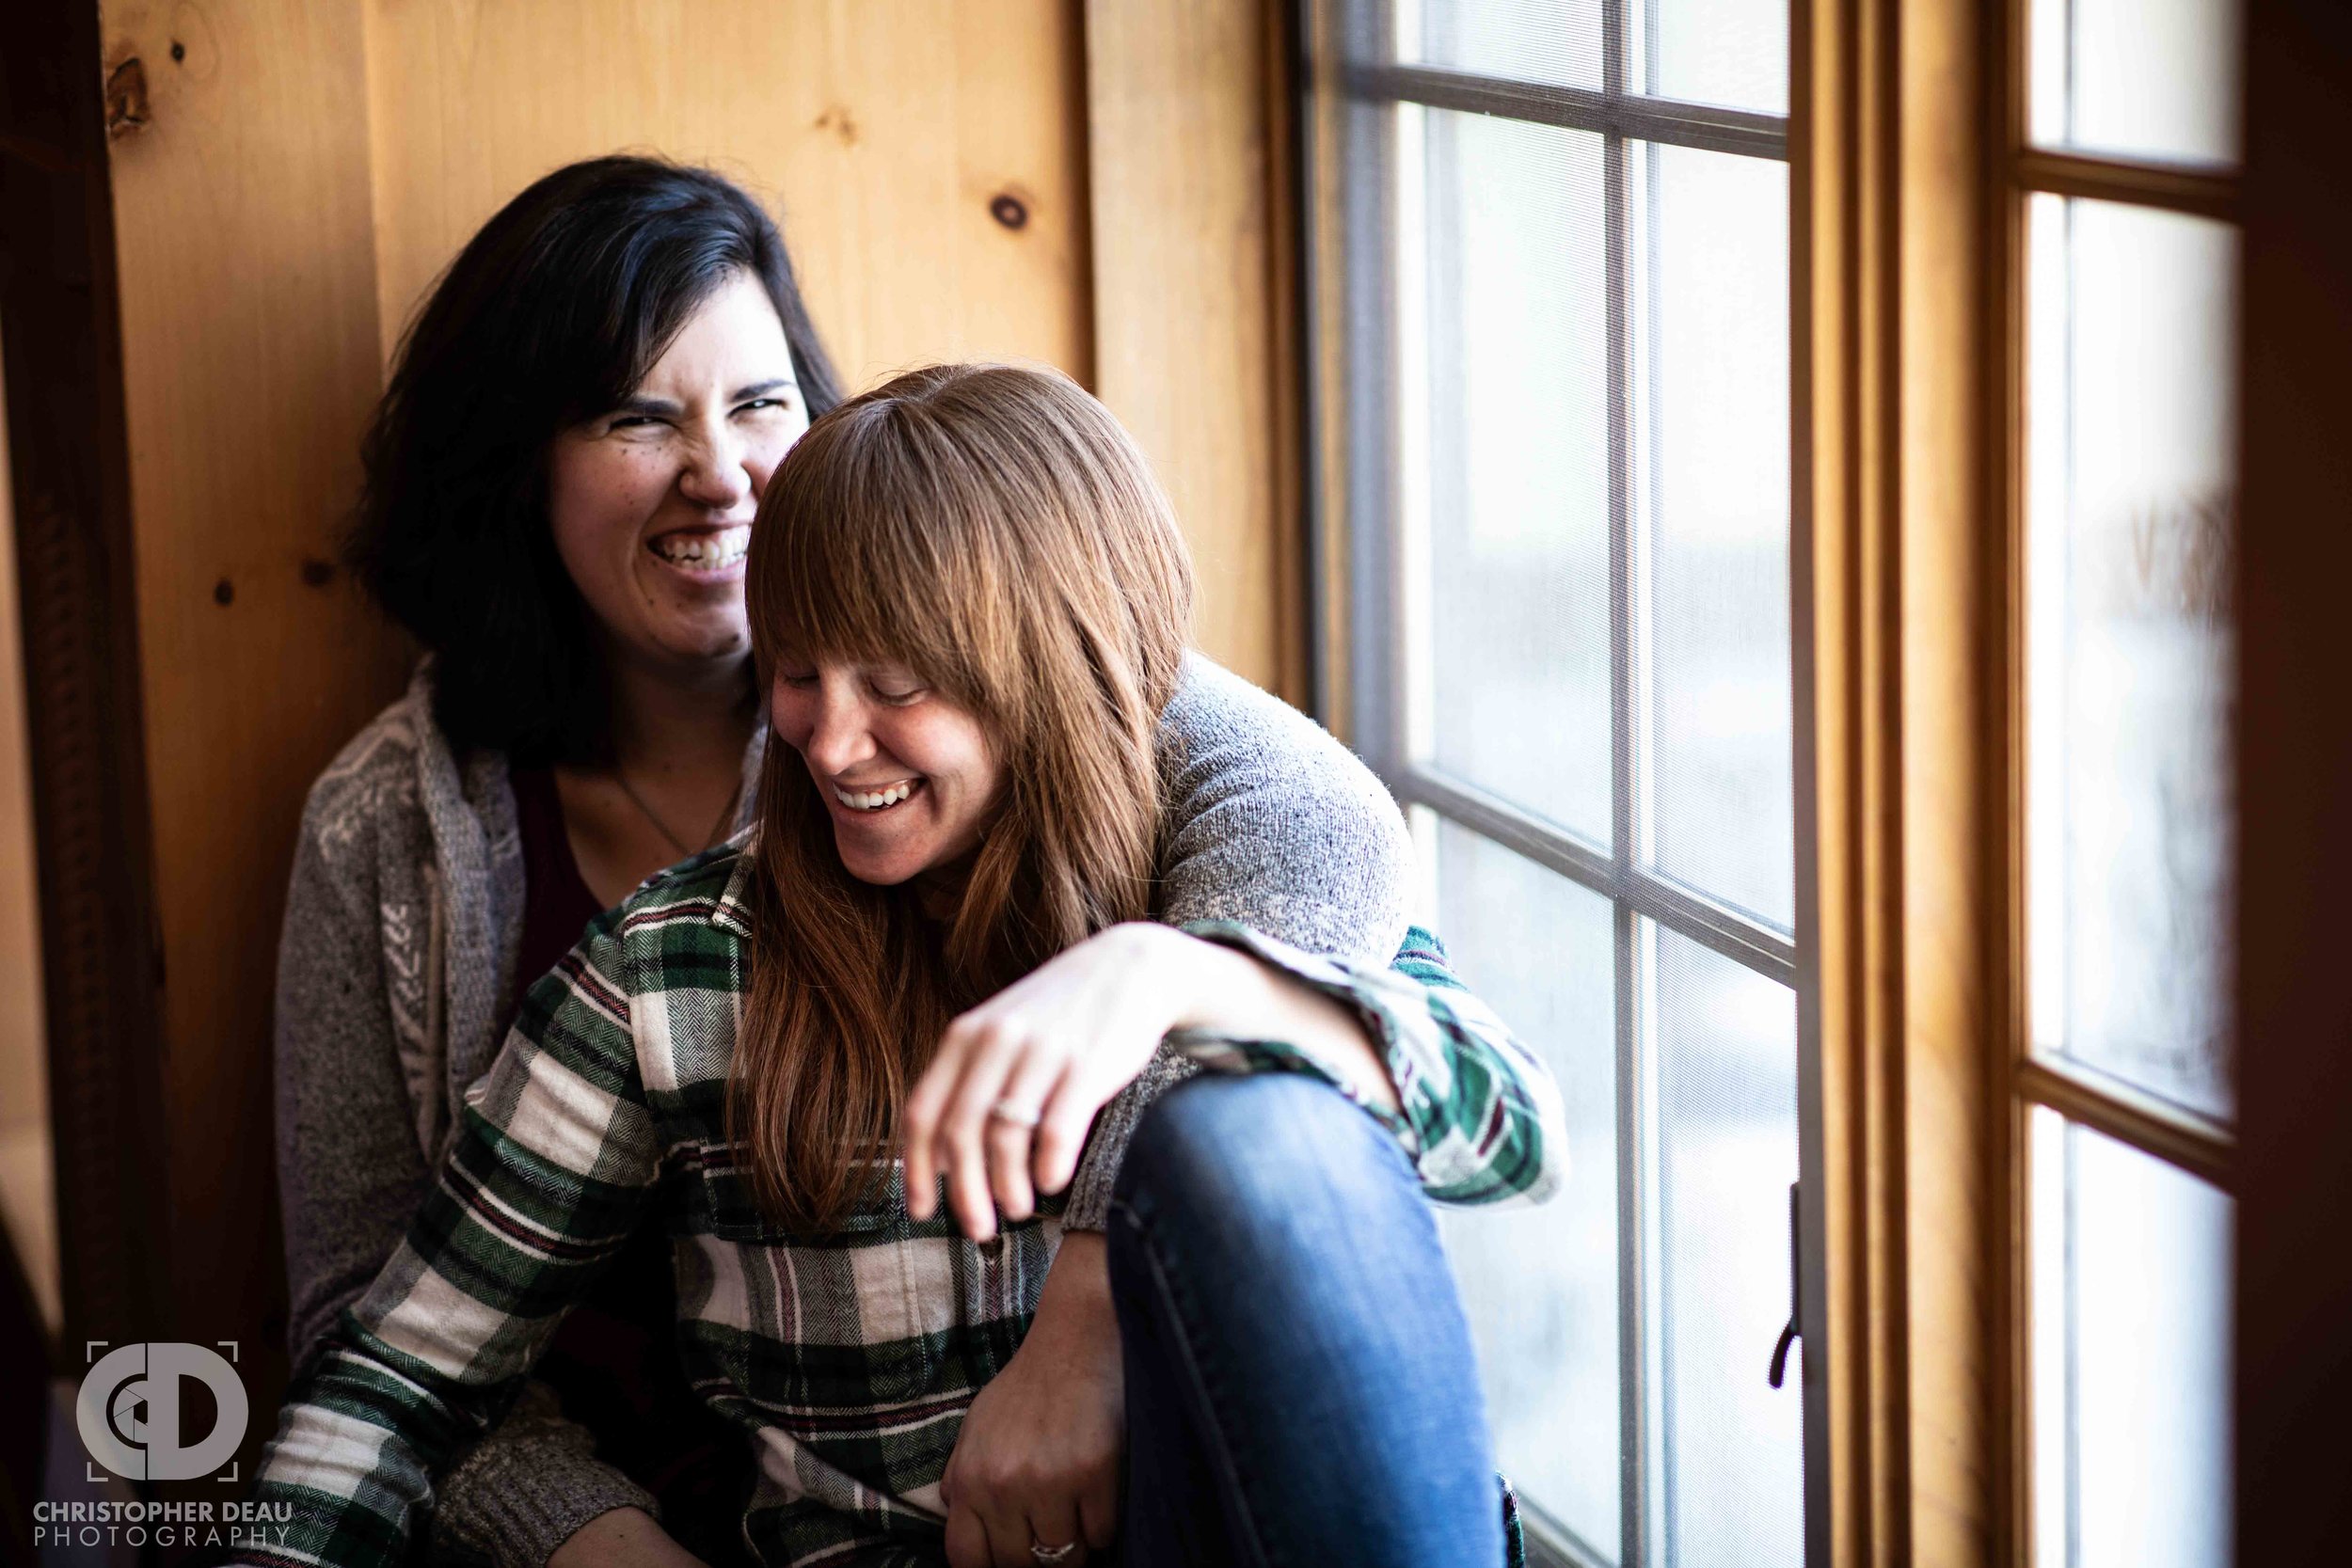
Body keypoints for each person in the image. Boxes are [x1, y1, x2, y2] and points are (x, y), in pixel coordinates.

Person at [275, 161, 1418, 1568]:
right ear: (520, 466)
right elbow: (376, 1340)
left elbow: (1317, 831)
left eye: (759, 403)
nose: (720, 473)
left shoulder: (973, 677)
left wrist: (1090, 1290)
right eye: (639, 417)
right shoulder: (407, 838)